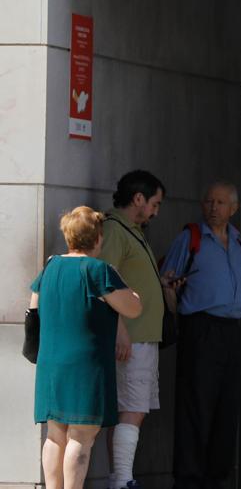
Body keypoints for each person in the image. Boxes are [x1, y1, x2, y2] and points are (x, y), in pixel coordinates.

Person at [31, 207, 143, 489]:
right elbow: (133, 308)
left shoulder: (51, 265)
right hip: (86, 364)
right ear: (96, 238)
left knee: (55, 435)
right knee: (81, 435)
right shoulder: (98, 270)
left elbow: (33, 307)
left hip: (51, 361)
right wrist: (130, 289)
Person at [161, 181, 241, 489]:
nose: (213, 208)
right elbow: (167, 283)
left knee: (227, 406)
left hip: (232, 330)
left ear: (234, 209)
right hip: (201, 328)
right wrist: (172, 300)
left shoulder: (239, 241)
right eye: (209, 202)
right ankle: (189, 479)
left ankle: (217, 477)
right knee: (196, 405)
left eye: (221, 203)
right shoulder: (191, 238)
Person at [97, 170, 167, 489]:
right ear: (138, 199)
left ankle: (121, 478)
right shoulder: (116, 230)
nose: (155, 211)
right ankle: (123, 480)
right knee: (133, 409)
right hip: (132, 337)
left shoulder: (131, 230)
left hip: (142, 336)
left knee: (132, 408)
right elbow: (104, 280)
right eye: (154, 203)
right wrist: (120, 328)